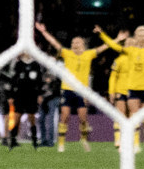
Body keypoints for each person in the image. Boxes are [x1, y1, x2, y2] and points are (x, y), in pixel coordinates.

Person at [36, 23, 108, 152]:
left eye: (78, 42)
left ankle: (84, 140)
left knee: (83, 118)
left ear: (83, 45)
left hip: (82, 91)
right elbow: (54, 43)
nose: (75, 44)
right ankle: (61, 144)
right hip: (67, 90)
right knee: (65, 116)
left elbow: (104, 47)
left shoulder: (89, 54)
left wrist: (116, 39)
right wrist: (43, 32)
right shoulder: (67, 53)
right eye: (73, 42)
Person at [98, 25, 144, 153]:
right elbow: (113, 76)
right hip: (121, 90)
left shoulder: (138, 56)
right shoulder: (119, 60)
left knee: (134, 118)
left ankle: (134, 142)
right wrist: (111, 91)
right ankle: (119, 141)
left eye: (132, 43)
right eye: (127, 43)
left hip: (134, 89)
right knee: (120, 116)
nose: (129, 45)